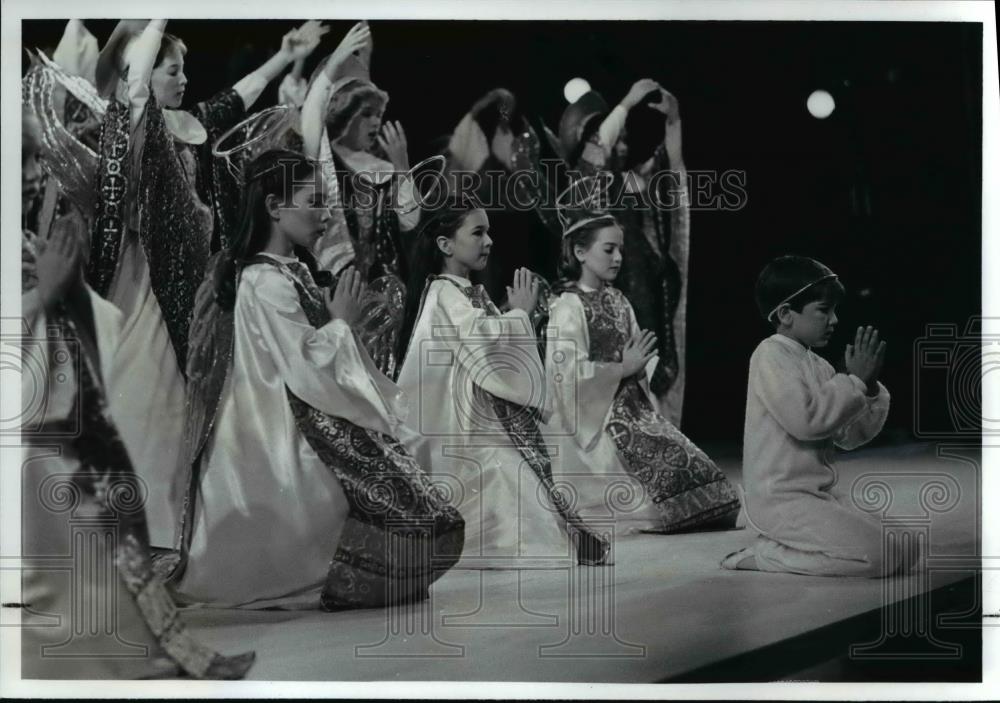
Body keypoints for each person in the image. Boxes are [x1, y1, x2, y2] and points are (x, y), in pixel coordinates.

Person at [168, 150, 463, 609]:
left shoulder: (294, 270)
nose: (326, 213)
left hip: (308, 404)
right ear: (273, 206)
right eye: (313, 200)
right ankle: (339, 571)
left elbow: (313, 353)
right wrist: (340, 325)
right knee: (396, 499)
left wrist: (343, 326)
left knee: (413, 492)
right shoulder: (263, 280)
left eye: (327, 201)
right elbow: (304, 366)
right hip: (279, 428)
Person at [19, 106, 253, 679]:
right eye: (25, 164)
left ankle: (140, 645)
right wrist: (42, 298)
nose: (33, 177)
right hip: (36, 433)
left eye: (32, 162)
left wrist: (64, 290)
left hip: (63, 414)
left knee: (111, 511)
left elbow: (84, 313)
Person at [82, 19, 324, 547]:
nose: (184, 78)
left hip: (195, 276)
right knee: (149, 394)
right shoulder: (132, 123)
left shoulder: (188, 123)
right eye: (175, 69)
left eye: (185, 69)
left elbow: (236, 100)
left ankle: (177, 528)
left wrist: (284, 56)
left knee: (188, 401)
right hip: (148, 275)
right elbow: (137, 80)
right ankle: (136, 531)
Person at [395, 199, 611, 568]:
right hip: (464, 428)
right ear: (446, 245)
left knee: (528, 492)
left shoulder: (464, 290)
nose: (489, 241)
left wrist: (521, 319)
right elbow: (482, 341)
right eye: (478, 232)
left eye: (489, 231)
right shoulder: (443, 292)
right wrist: (519, 315)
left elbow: (489, 345)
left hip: (484, 419)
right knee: (515, 499)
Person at [543, 196, 740, 536]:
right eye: (608, 250)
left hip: (634, 409)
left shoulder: (619, 300)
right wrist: (621, 368)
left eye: (620, 249)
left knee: (709, 485)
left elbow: (636, 352)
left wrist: (647, 367)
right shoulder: (567, 307)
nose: (618, 257)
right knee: (656, 501)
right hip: (595, 423)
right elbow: (565, 376)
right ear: (579, 252)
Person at [721, 255, 897, 577]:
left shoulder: (820, 365)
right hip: (782, 501)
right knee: (879, 556)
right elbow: (807, 422)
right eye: (823, 310)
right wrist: (853, 381)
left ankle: (789, 547)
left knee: (905, 545)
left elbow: (848, 437)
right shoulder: (769, 355)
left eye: (833, 310)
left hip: (818, 496)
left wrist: (868, 388)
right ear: (786, 314)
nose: (834, 320)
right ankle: (767, 554)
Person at [548, 78, 691, 426]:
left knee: (654, 377)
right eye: (617, 135)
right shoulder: (584, 186)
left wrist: (673, 121)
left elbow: (670, 170)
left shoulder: (630, 183)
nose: (622, 143)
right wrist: (626, 103)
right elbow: (596, 152)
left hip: (647, 294)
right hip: (608, 301)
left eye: (625, 136)